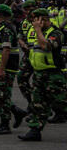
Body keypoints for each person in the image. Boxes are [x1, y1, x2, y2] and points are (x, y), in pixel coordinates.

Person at [19, 8, 66, 141]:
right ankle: (35, 130)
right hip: (39, 74)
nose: (34, 23)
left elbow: (47, 46)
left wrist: (38, 31)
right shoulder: (39, 32)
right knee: (38, 103)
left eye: (36, 20)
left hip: (53, 76)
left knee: (62, 102)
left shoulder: (55, 33)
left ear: (44, 19)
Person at [0, 3, 27, 135]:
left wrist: (1, 69)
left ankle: (5, 124)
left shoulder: (6, 29)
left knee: (3, 95)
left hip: (6, 67)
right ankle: (15, 110)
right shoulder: (0, 27)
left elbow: (6, 49)